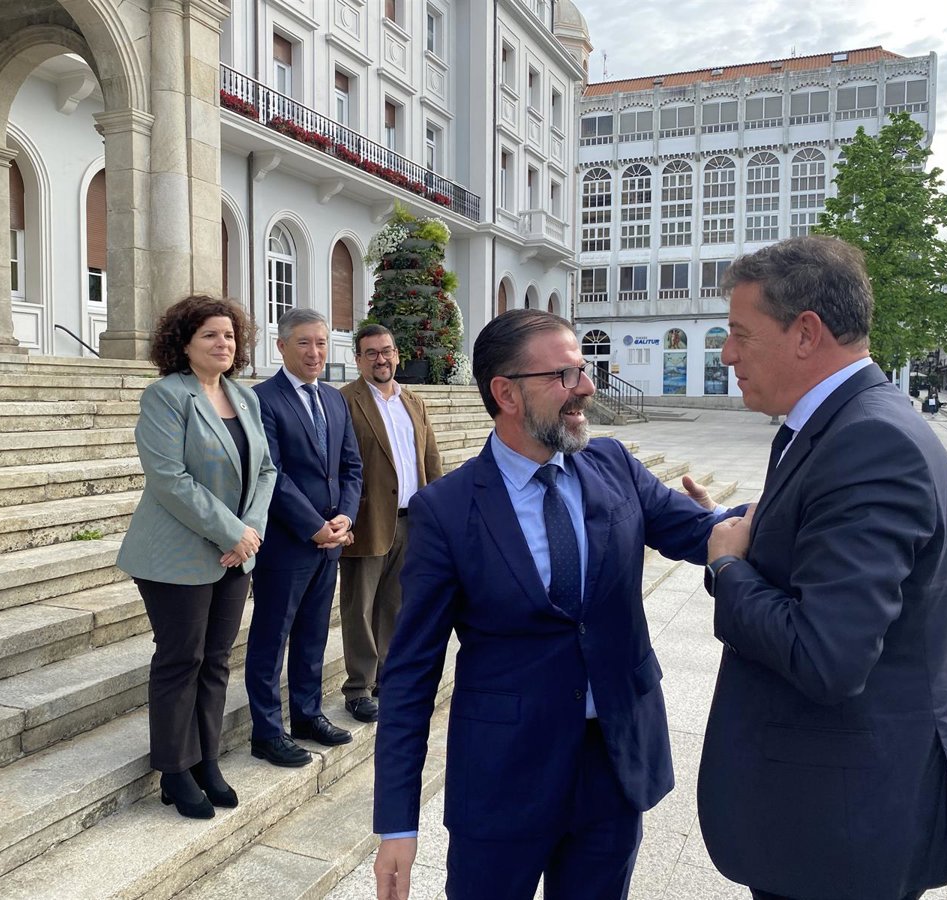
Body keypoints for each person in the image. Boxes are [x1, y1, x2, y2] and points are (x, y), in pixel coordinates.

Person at [372, 309, 741, 900]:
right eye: (565, 375)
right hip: (503, 776)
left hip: (612, 765)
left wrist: (776, 510)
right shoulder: (446, 510)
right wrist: (397, 821)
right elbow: (410, 673)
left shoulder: (614, 466)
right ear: (506, 393)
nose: (587, 387)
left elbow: (704, 533)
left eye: (584, 369)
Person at [699, 236, 947, 900]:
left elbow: (826, 656)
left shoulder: (868, 440)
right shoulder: (839, 424)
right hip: (830, 814)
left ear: (806, 333)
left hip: (840, 829)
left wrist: (728, 569)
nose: (727, 354)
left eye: (740, 333)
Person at [116, 295, 276, 819]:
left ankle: (207, 759)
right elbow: (168, 478)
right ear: (183, 343)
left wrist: (249, 531)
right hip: (176, 553)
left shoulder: (244, 397)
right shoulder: (166, 396)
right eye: (210, 334)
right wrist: (231, 531)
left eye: (229, 335)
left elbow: (267, 470)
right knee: (180, 659)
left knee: (215, 660)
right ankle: (174, 770)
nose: (223, 343)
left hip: (235, 554)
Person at [246, 308, 363, 767]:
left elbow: (351, 467)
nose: (315, 353)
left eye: (321, 343)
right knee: (271, 638)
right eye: (304, 343)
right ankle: (266, 732)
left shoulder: (334, 398)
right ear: (281, 346)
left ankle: (308, 715)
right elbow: (271, 473)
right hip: (286, 543)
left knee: (313, 635)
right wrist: (313, 525)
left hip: (330, 543)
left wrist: (345, 518)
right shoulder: (262, 399)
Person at [338, 324, 443, 724]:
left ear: (397, 355)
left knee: (396, 605)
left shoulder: (413, 401)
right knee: (360, 607)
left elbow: (431, 460)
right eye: (371, 353)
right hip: (366, 520)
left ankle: (386, 676)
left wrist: (437, 513)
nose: (380, 359)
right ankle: (358, 687)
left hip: (410, 521)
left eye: (386, 351)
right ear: (358, 360)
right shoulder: (345, 401)